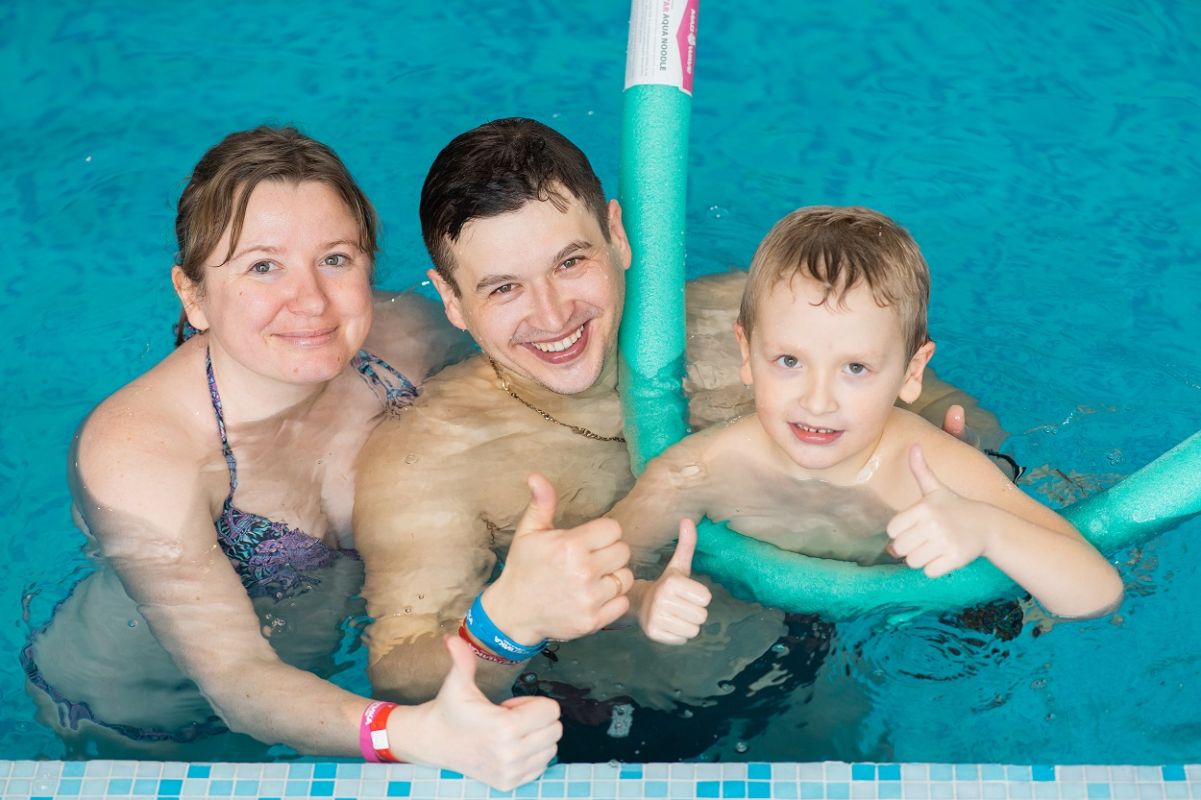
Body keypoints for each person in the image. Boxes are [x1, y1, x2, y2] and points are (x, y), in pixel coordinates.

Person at [352, 120, 1000, 721]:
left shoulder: (747, 323)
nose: (551, 316)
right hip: (615, 720)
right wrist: (510, 621)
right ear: (451, 300)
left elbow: (939, 403)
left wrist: (968, 469)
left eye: (570, 262)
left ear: (616, 233)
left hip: (809, 646)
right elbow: (401, 682)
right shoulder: (428, 459)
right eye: (503, 288)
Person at [23, 126, 561, 790]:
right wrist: (415, 733)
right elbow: (235, 678)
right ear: (193, 296)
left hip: (329, 690)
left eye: (335, 259)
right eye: (262, 266)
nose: (310, 301)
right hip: (142, 725)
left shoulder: (409, 342)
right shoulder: (140, 453)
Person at [613, 205, 1125, 647]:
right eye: (789, 361)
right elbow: (592, 583)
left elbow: (1097, 593)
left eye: (855, 368)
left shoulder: (930, 467)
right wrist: (642, 602)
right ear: (746, 353)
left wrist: (987, 528)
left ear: (912, 373)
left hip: (902, 623)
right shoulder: (697, 470)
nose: (817, 401)